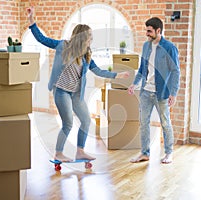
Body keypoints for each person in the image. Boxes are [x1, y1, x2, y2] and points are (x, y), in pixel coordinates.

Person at [27, 7, 129, 162]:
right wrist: (31, 20)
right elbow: (42, 39)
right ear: (81, 37)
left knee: (86, 121)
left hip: (75, 93)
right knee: (68, 123)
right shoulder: (63, 46)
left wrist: (117, 75)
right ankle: (58, 153)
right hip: (61, 92)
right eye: (90, 37)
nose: (92, 40)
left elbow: (99, 71)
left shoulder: (87, 54)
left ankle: (80, 151)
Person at [128, 17, 180, 164]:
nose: (147, 33)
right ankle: (144, 153)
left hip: (161, 93)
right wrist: (134, 84)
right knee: (143, 123)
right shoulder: (146, 46)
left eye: (149, 31)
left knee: (165, 123)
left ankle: (169, 153)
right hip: (145, 91)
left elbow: (175, 71)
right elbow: (142, 69)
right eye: (146, 30)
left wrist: (173, 93)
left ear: (158, 31)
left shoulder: (169, 47)